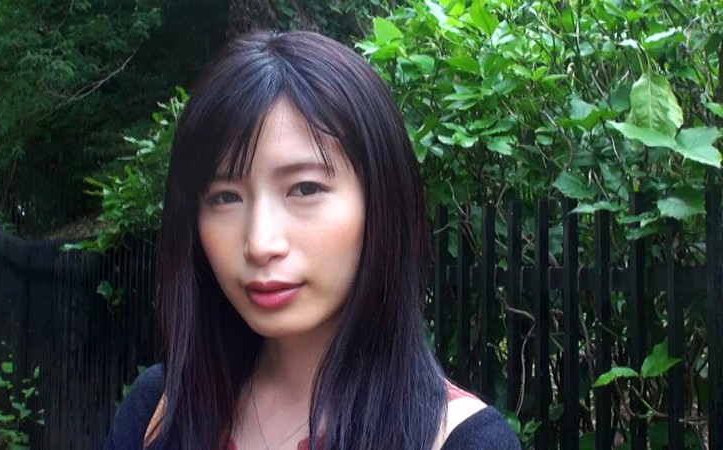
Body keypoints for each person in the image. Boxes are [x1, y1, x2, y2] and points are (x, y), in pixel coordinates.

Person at [104, 30, 520, 450]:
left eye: (305, 189)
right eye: (226, 197)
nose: (260, 244)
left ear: (381, 202)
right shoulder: (160, 410)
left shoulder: (461, 440)